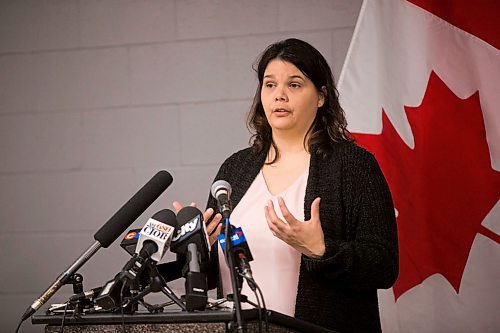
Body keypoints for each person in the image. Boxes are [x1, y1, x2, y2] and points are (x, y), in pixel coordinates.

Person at [175, 38, 398, 333]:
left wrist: (321, 249)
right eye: (270, 85)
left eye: (294, 85)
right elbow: (214, 278)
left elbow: (383, 267)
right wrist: (200, 248)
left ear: (321, 97)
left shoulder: (353, 165)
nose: (279, 95)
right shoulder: (236, 168)